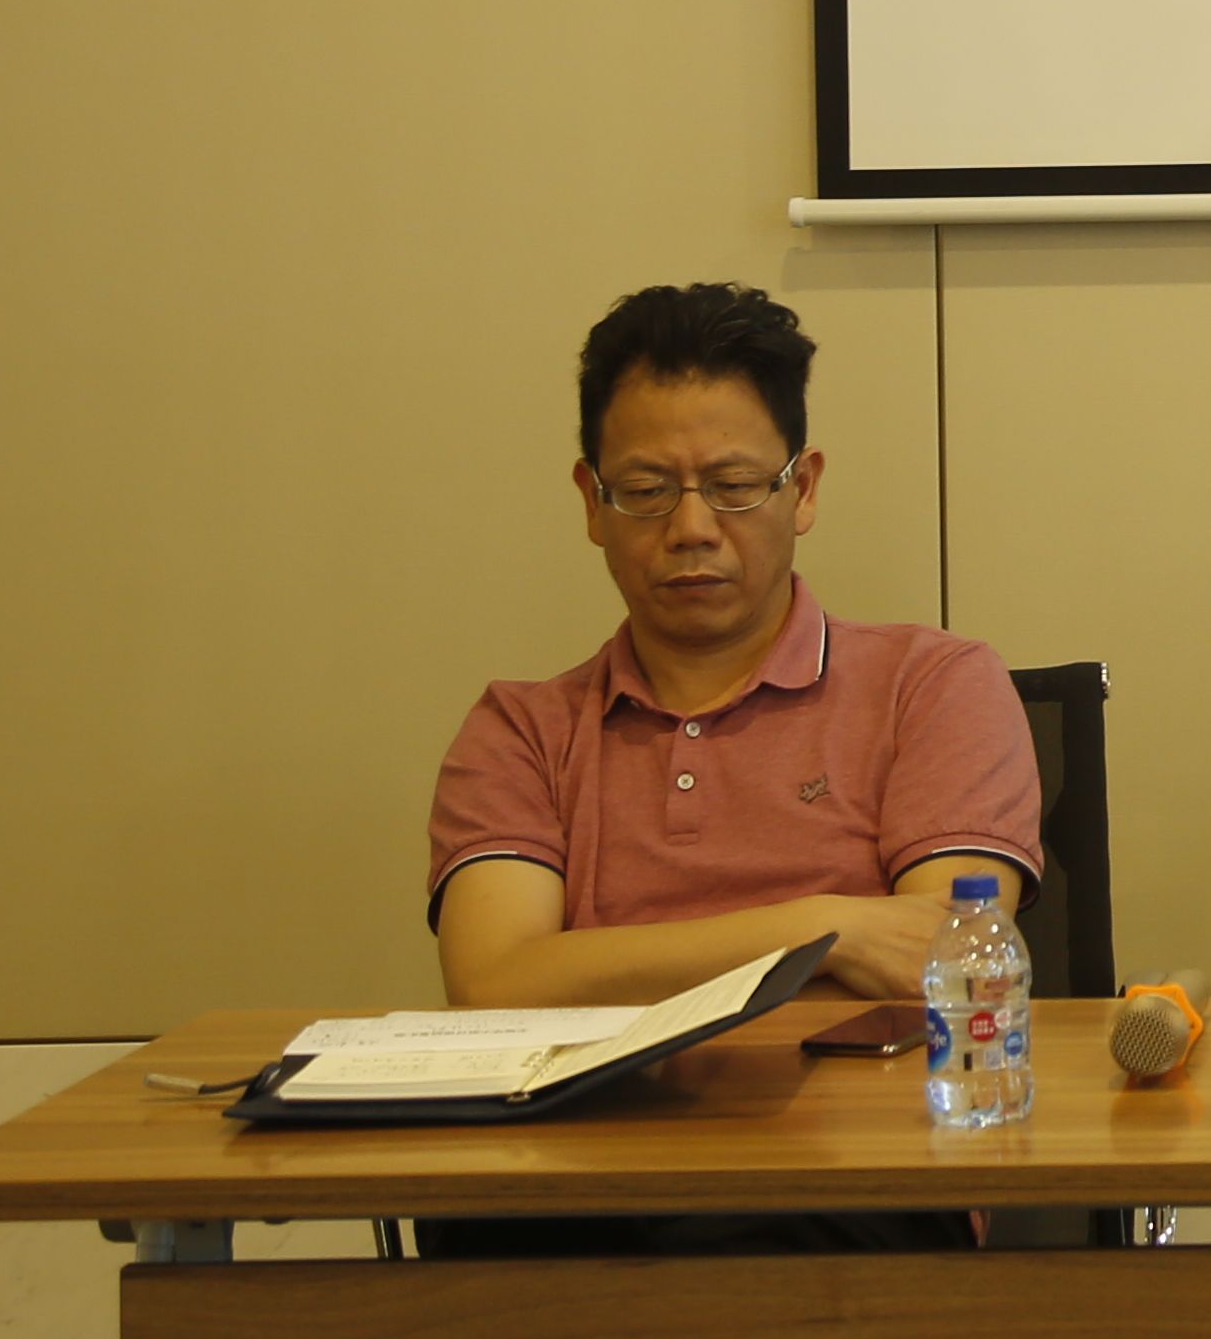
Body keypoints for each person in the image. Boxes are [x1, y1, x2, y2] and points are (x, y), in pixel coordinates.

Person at [419, 279, 1045, 1255]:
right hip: (573, 1181)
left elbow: (939, 959)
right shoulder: (521, 730)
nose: (692, 528)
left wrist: (593, 974)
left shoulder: (934, 687)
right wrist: (822, 930)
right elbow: (496, 986)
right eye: (646, 490)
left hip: (851, 1181)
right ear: (592, 502)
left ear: (805, 489)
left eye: (734, 484)